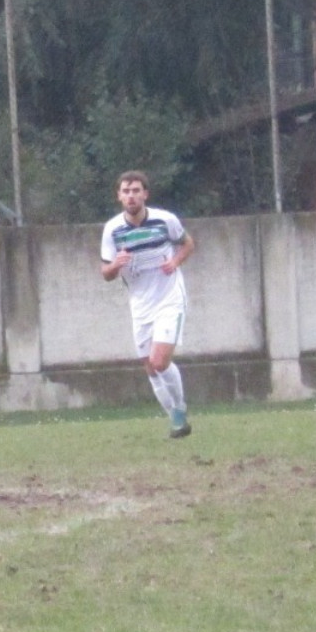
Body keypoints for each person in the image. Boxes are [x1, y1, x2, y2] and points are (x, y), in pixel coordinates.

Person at [98, 171, 196, 438]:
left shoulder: (165, 220)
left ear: (145, 194)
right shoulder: (112, 229)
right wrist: (115, 265)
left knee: (160, 361)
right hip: (140, 304)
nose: (131, 196)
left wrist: (174, 262)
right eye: (126, 191)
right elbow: (105, 273)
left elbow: (187, 244)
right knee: (151, 368)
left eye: (136, 190)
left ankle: (180, 409)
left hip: (169, 298)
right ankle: (176, 420)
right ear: (119, 196)